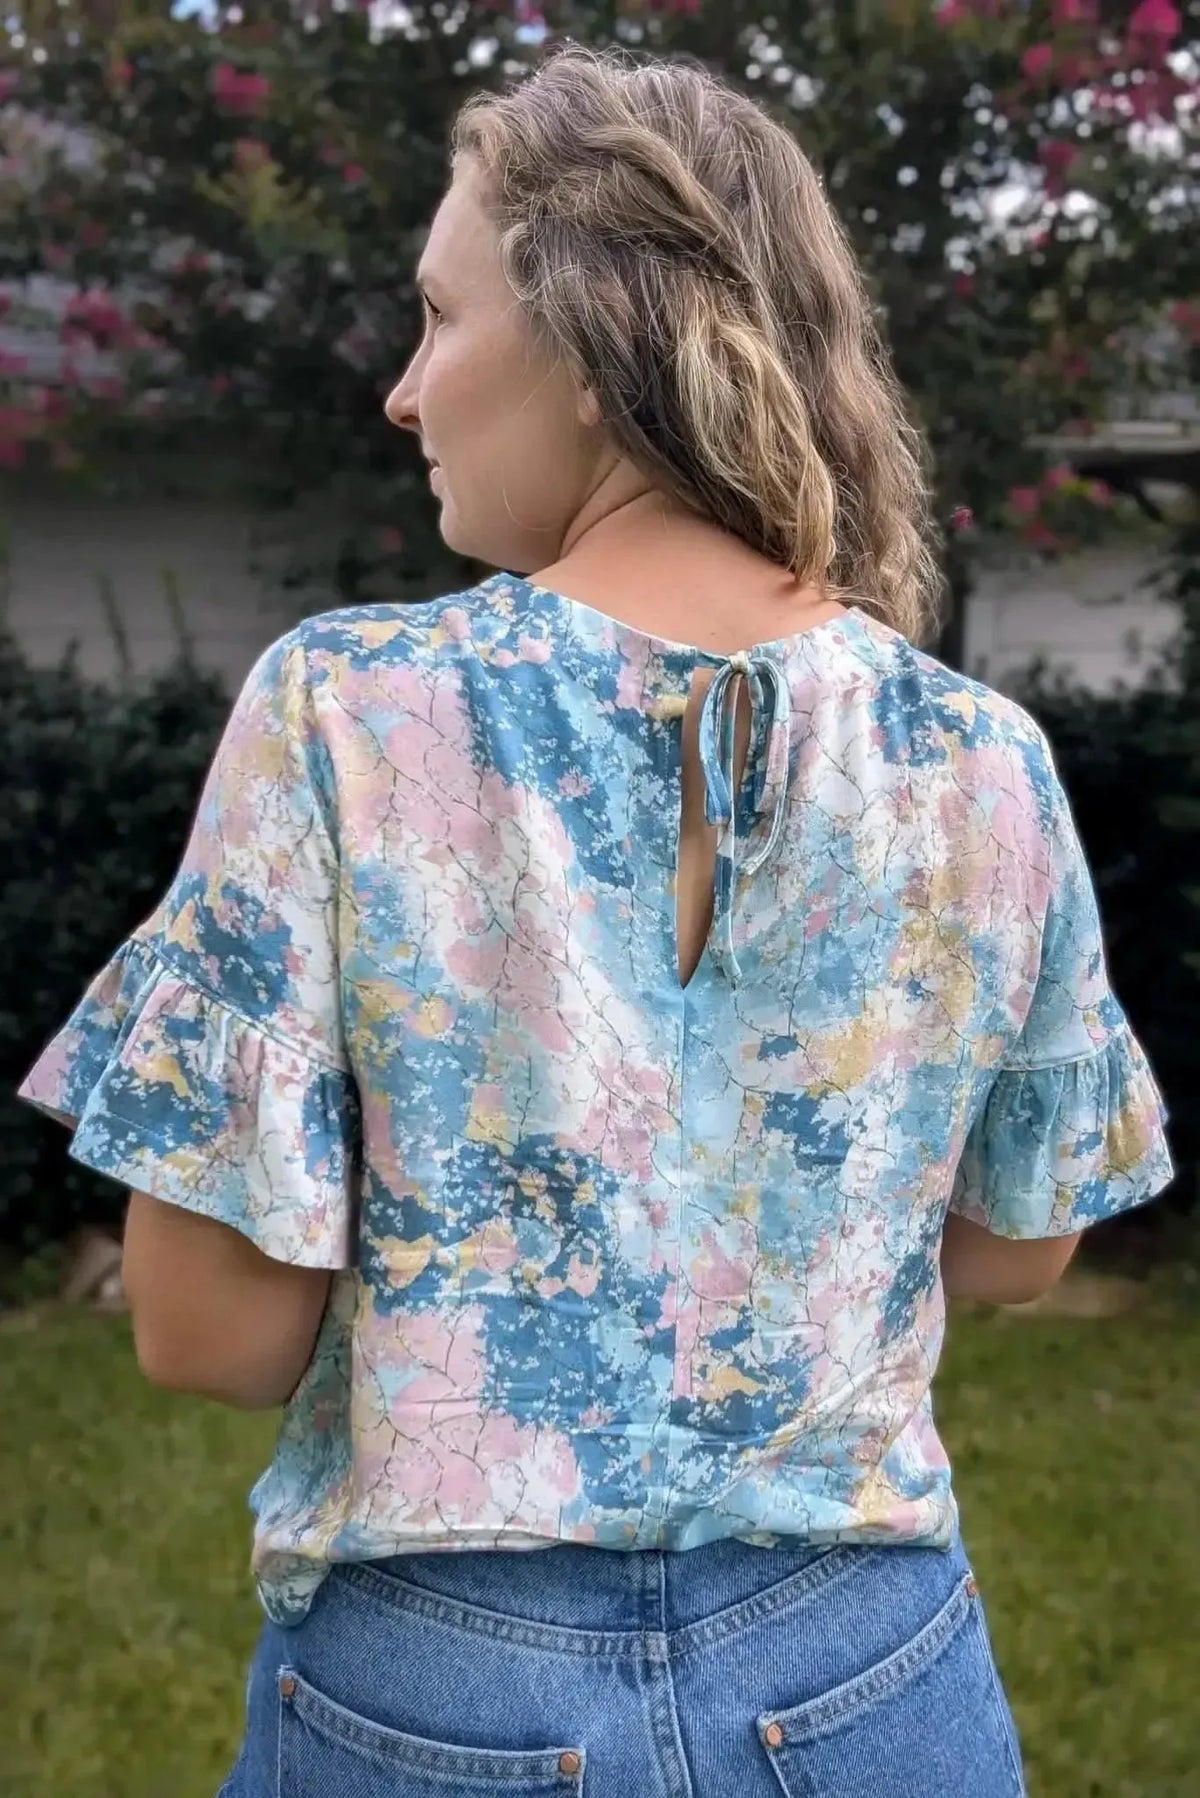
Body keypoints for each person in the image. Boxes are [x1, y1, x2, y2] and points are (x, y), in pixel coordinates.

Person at [21, 45, 1171, 1798]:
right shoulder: (979, 757)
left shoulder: (351, 710)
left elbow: (209, 1334)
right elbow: (1022, 1248)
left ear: (587, 336)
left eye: (436, 318)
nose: (406, 392)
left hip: (444, 1695)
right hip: (868, 1679)